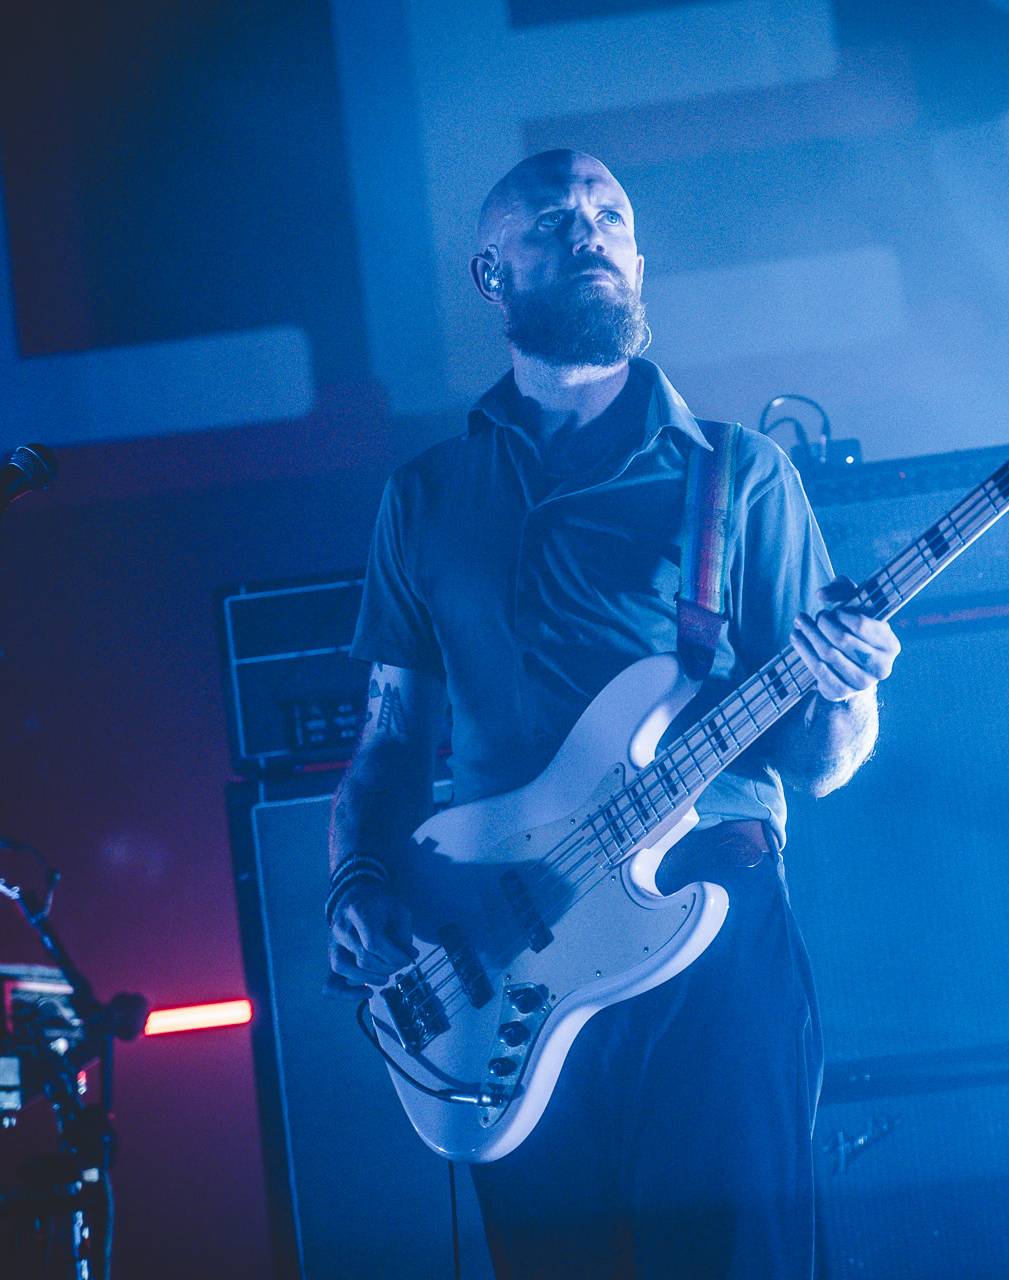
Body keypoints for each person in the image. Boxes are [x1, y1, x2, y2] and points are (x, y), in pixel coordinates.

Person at [325, 150, 899, 1280]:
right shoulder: (427, 495)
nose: (589, 231)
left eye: (611, 216)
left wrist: (848, 684)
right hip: (501, 950)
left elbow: (824, 761)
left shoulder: (737, 473)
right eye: (553, 219)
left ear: (638, 261)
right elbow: (391, 740)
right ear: (493, 272)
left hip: (707, 920)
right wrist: (358, 880)